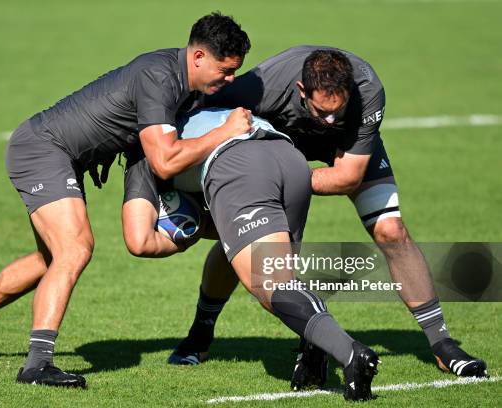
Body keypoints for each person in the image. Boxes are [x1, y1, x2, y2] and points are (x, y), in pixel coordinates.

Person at [0, 12, 252, 388]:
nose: (229, 80)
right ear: (198, 57)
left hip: (58, 154)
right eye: (225, 70)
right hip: (42, 149)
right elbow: (163, 159)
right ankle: (37, 366)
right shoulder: (159, 77)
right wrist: (225, 132)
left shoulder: (185, 83)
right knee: (74, 249)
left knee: (50, 259)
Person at [168, 46, 488, 382]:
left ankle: (442, 343)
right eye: (323, 112)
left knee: (391, 230)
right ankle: (201, 333)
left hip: (343, 155)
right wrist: (259, 187)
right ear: (301, 91)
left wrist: (279, 184)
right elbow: (198, 111)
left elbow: (347, 177)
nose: (331, 121)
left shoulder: (368, 91)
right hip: (275, 146)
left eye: (339, 111)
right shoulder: (264, 86)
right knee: (249, 243)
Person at [122, 107, 380, 401]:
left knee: (273, 287)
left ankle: (350, 353)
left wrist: (188, 233)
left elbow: (140, 241)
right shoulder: (193, 113)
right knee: (260, 266)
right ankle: (210, 338)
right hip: (288, 159)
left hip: (238, 167)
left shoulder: (142, 152)